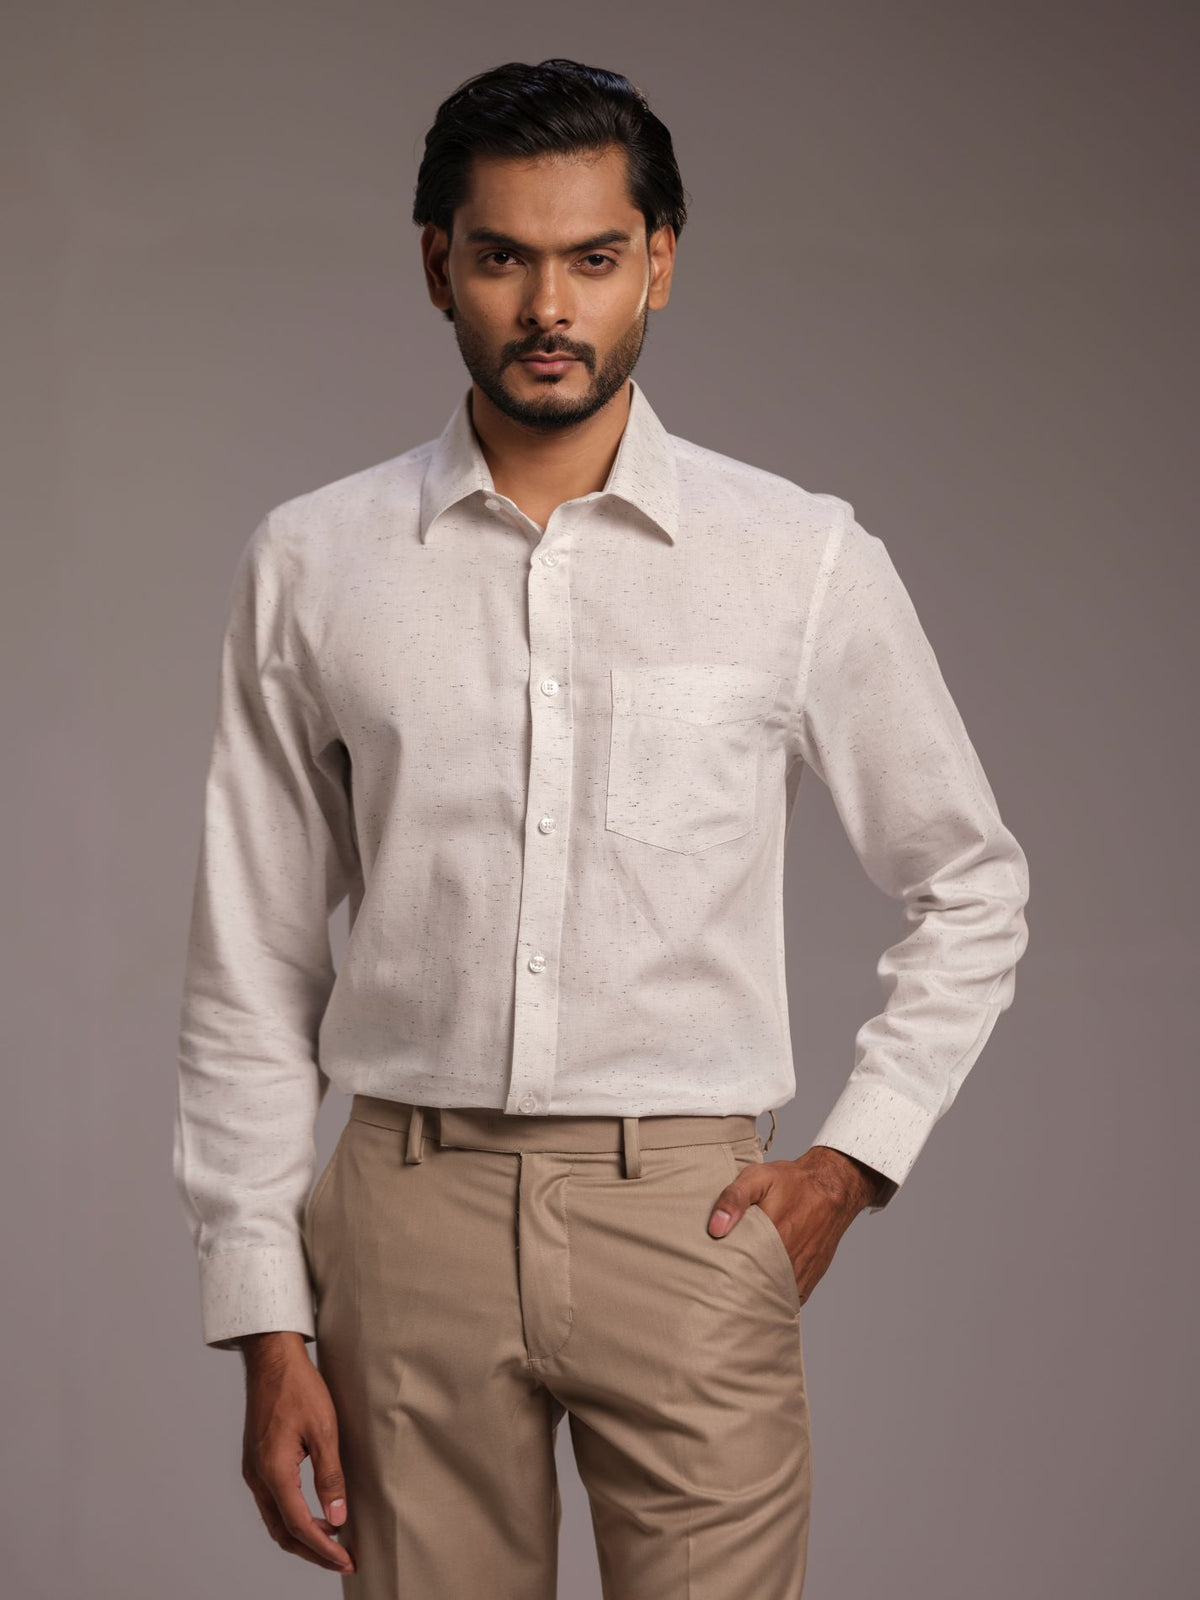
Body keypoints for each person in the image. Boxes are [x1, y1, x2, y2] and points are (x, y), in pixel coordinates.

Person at [173, 56, 1030, 1600]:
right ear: (438, 264)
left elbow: (969, 883)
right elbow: (253, 964)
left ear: (661, 263)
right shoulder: (314, 562)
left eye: (594, 257)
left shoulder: (796, 558)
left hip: (688, 1219)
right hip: (405, 1219)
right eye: (504, 256)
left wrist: (850, 1165)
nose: (549, 306)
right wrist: (262, 1319)